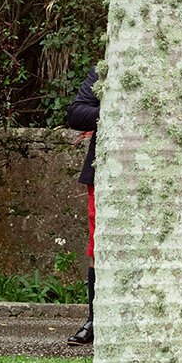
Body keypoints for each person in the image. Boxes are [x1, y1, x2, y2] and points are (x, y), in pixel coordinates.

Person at [64, 61, 102, 346]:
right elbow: (76, 113)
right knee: (97, 247)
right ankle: (95, 320)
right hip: (104, 171)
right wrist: (119, 110)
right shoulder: (105, 68)